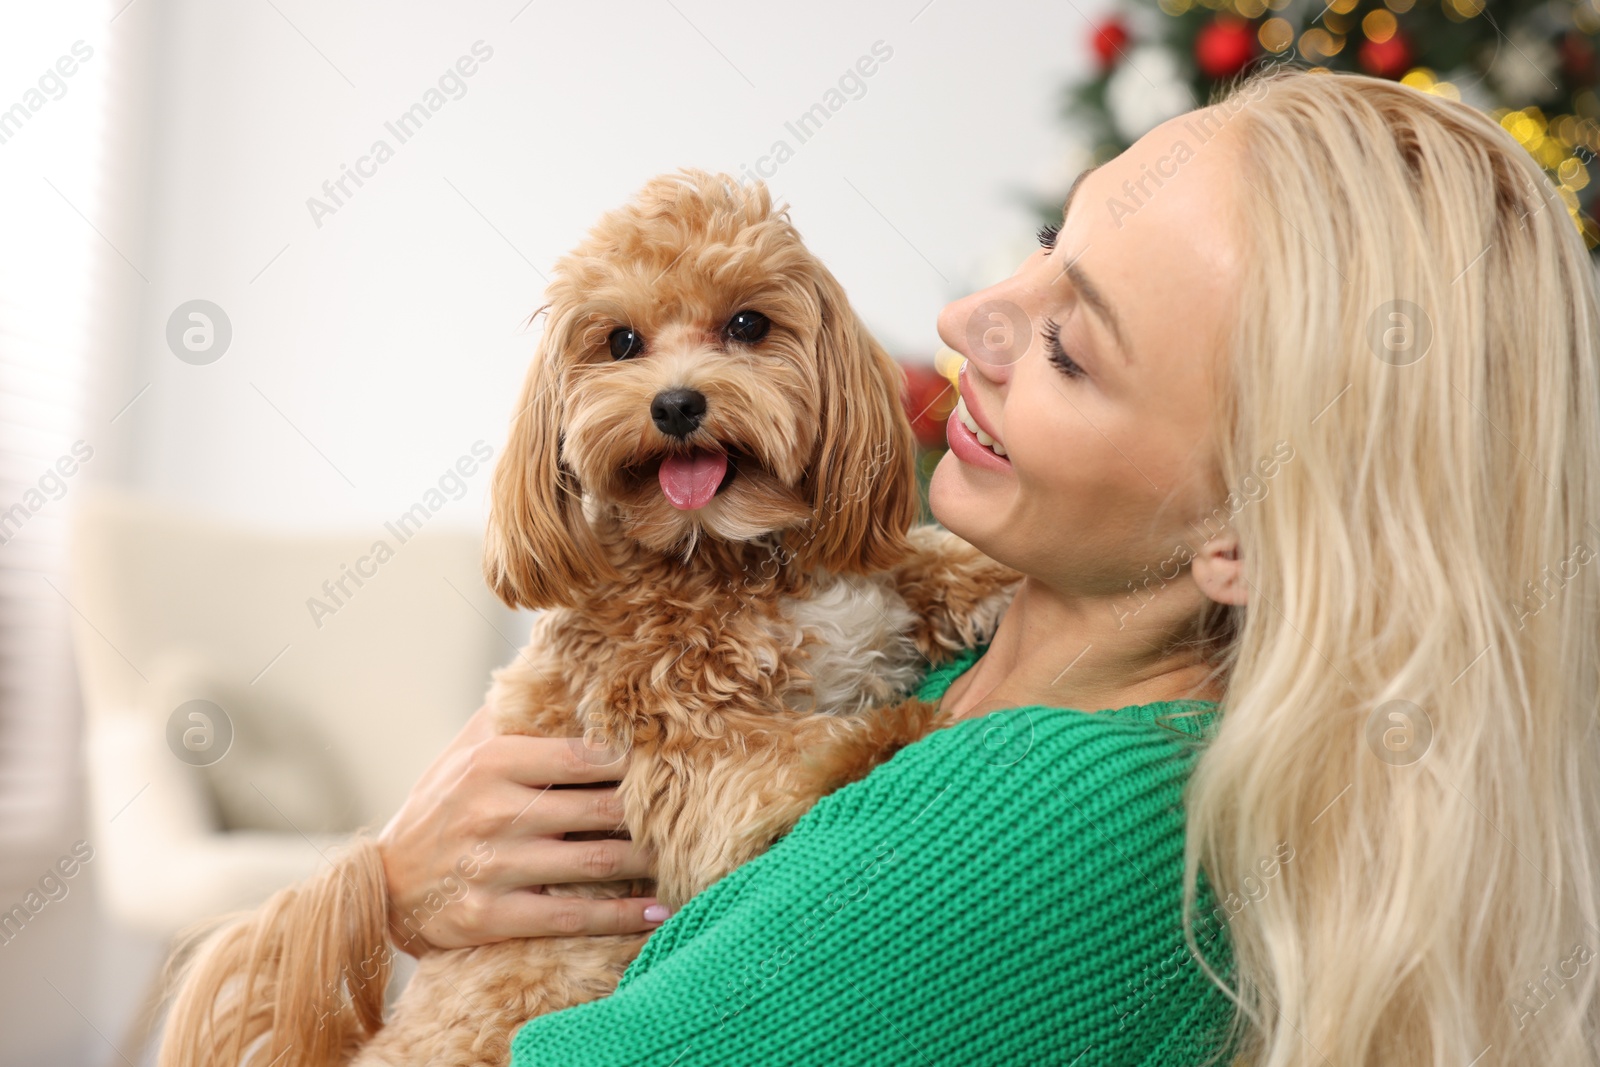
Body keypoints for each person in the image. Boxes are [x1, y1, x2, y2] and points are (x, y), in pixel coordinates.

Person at [268, 64, 1600, 1065]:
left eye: (1075, 348)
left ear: (1243, 536)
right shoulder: (968, 650)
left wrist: (362, 913)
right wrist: (385, 888)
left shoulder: (1039, 833)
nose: (968, 320)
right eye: (1044, 258)